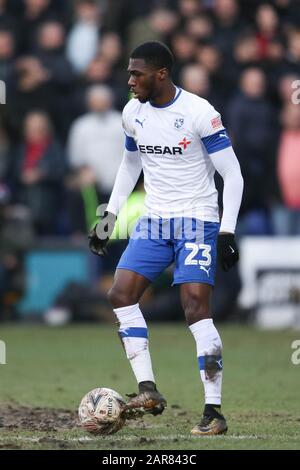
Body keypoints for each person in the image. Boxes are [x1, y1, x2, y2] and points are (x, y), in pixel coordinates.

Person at [88, 41, 243, 436]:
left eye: (136, 73)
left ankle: (213, 412)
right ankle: (148, 390)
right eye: (128, 72)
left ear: (161, 74)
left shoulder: (199, 113)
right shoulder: (131, 113)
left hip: (197, 219)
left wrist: (227, 230)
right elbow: (130, 164)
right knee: (120, 294)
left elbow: (233, 174)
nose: (129, 81)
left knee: (195, 307)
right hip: (155, 220)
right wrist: (109, 215)